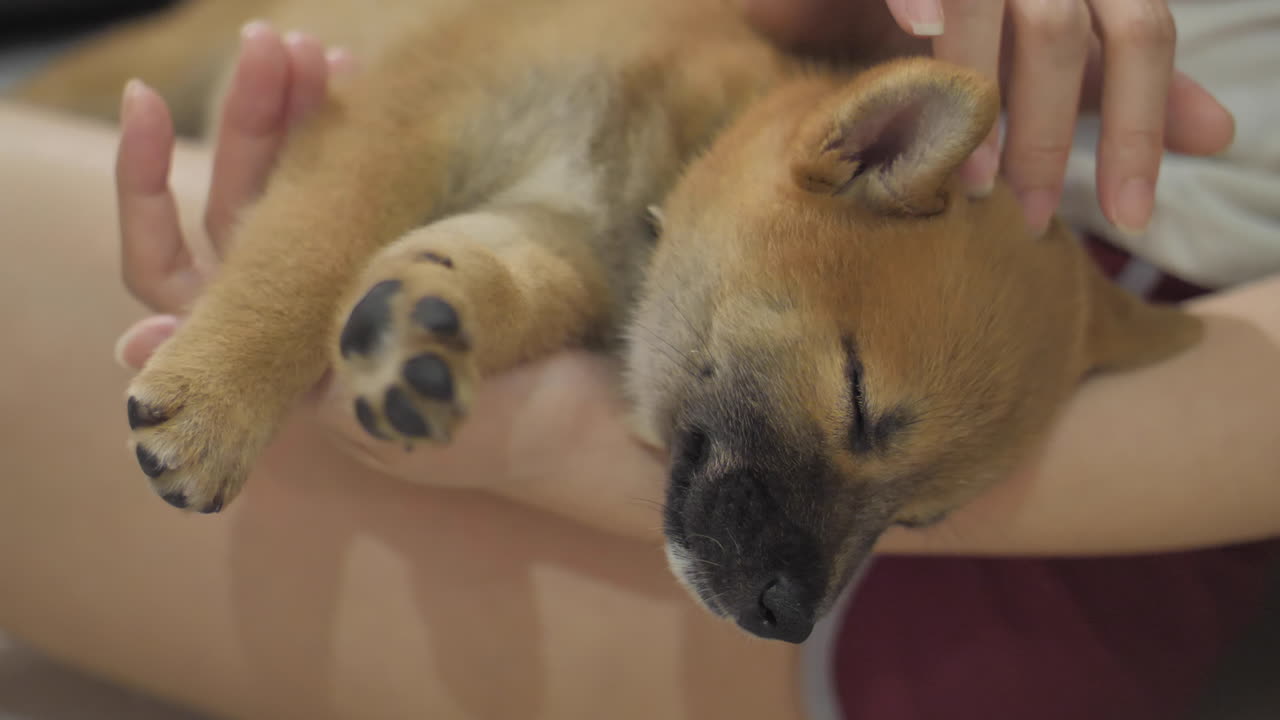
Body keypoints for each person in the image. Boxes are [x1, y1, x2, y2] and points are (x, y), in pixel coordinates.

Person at [1, 1, 1277, 718]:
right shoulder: (844, 162)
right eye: (852, 420)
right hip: (762, 166)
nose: (798, 574)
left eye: (895, 502)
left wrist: (554, 447)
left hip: (1032, 562)